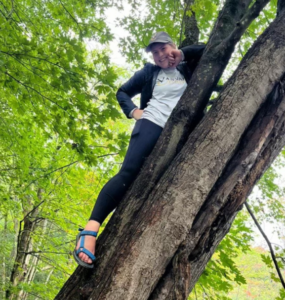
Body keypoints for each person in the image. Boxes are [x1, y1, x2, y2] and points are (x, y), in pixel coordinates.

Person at [73, 31, 205, 268]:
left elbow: (213, 49)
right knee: (128, 174)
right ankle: (89, 233)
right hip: (151, 123)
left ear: (173, 47)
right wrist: (134, 111)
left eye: (163, 49)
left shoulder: (189, 66)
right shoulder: (149, 72)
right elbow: (122, 91)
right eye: (155, 53)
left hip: (179, 131)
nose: (160, 55)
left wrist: (183, 53)